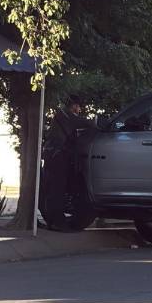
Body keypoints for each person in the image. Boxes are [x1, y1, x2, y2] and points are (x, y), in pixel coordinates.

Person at [40, 95, 95, 231]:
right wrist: (97, 123)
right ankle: (57, 222)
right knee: (56, 190)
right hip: (56, 157)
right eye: (78, 106)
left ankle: (54, 221)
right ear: (74, 106)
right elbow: (84, 123)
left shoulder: (63, 116)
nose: (79, 109)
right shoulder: (65, 116)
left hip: (56, 156)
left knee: (57, 189)